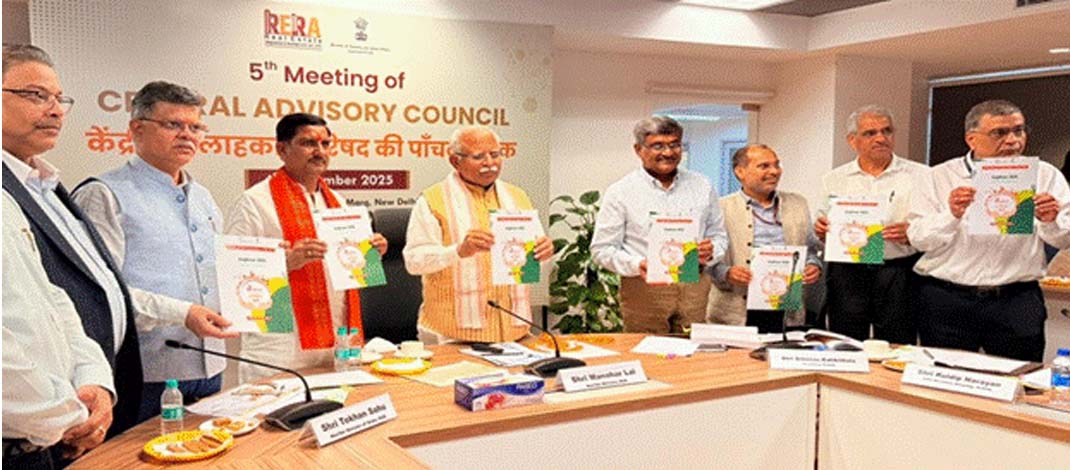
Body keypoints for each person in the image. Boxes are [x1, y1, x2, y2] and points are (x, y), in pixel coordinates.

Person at [71, 81, 238, 421]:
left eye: (195, 127)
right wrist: (182, 313)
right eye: (173, 124)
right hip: (143, 373)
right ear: (137, 128)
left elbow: (217, 272)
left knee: (211, 448)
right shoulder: (105, 194)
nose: (187, 135)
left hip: (210, 366)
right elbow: (99, 295)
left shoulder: (202, 197)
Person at [1, 44, 143, 437]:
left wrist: (95, 380)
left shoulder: (42, 184)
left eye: (59, 98)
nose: (55, 110)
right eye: (36, 95)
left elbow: (56, 300)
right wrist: (66, 415)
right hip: (40, 424)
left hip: (82, 399)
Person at [225, 113, 387, 382]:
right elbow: (232, 276)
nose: (319, 151)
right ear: (282, 149)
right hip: (280, 347)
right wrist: (286, 262)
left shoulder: (337, 201)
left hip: (336, 343)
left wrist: (371, 254)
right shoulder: (255, 202)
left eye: (325, 144)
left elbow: (351, 270)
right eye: (308, 143)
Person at [908, 100, 1070, 362]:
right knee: (945, 378)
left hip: (1016, 299)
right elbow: (918, 239)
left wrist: (1050, 221)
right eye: (999, 133)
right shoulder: (938, 177)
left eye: (1018, 130)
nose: (1012, 140)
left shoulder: (1045, 176)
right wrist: (951, 215)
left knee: (1020, 377)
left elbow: (1063, 240)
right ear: (971, 139)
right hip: (948, 299)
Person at [403, 126, 553, 343]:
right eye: (478, 157)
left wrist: (544, 253)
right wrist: (458, 251)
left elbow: (534, 264)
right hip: (452, 335)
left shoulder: (517, 197)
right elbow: (414, 261)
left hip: (515, 333)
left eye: (495, 154)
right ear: (455, 161)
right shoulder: (432, 200)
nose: (490, 163)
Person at [590, 116, 728, 334]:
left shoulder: (702, 186)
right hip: (644, 287)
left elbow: (719, 236)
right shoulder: (620, 192)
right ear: (639, 150)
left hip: (695, 284)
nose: (668, 152)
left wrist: (711, 251)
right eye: (658, 146)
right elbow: (602, 249)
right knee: (647, 349)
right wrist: (637, 264)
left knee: (693, 349)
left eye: (675, 145)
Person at [814, 105, 929, 344]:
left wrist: (914, 232)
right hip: (848, 270)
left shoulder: (921, 175)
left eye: (887, 131)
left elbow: (935, 224)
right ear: (852, 140)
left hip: (898, 269)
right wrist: (822, 230)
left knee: (898, 341)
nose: (881, 138)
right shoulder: (834, 179)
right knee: (845, 340)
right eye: (870, 133)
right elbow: (823, 222)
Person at [707, 144, 822, 333]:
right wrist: (726, 273)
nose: (774, 171)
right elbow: (706, 259)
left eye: (776, 165)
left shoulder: (798, 203)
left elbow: (810, 248)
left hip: (786, 307)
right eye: (764, 166)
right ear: (740, 172)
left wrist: (813, 265)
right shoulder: (720, 208)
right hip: (735, 311)